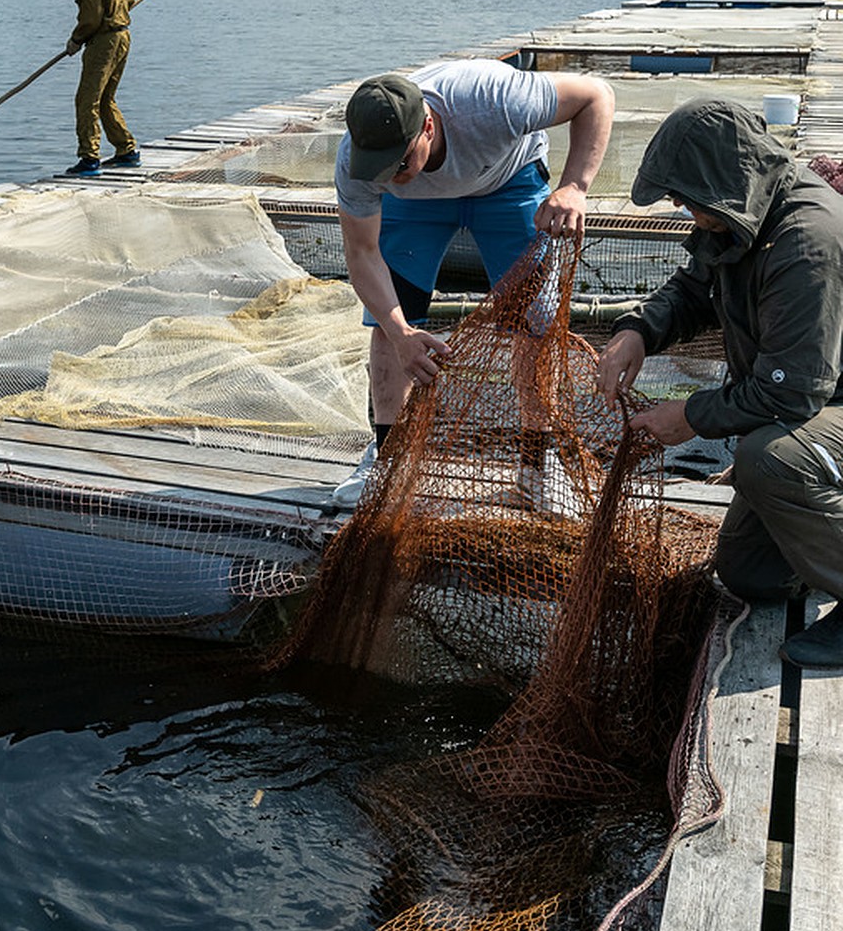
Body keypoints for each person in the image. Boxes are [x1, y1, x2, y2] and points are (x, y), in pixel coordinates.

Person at [596, 97, 843, 669]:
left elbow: (790, 394)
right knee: (749, 572)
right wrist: (637, 329)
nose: (680, 205)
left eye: (684, 194)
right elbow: (690, 290)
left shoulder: (808, 242)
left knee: (770, 459)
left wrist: (688, 416)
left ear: (719, 177)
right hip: (818, 402)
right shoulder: (744, 211)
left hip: (817, 401)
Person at [330, 59, 615, 507]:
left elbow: (596, 95)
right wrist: (402, 332)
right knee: (389, 319)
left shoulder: (493, 99)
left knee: (536, 320)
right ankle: (387, 459)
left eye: (398, 162)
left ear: (427, 126)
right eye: (378, 168)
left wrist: (575, 186)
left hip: (507, 182)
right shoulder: (358, 162)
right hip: (417, 207)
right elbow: (362, 254)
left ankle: (538, 467)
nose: (388, 175)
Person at [56, 0, 140, 177]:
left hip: (104, 42)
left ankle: (89, 158)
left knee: (86, 100)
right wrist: (118, 12)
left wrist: (75, 40)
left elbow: (90, 19)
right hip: (123, 36)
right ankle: (126, 151)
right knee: (105, 99)